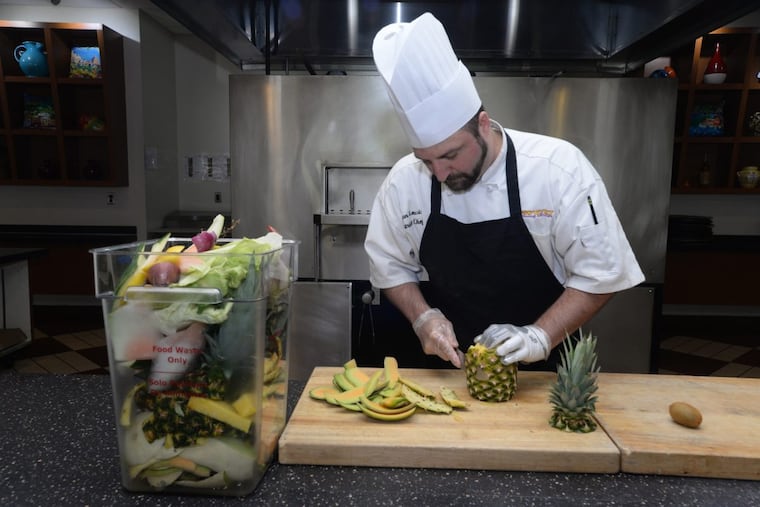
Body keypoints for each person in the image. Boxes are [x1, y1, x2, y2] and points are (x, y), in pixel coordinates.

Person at [364, 12, 645, 370]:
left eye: (450, 155)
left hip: (545, 370)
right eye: (426, 160)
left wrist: (539, 336)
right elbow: (390, 268)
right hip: (451, 370)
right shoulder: (405, 180)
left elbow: (603, 274)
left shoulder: (556, 169)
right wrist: (423, 318)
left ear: (483, 124)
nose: (439, 173)